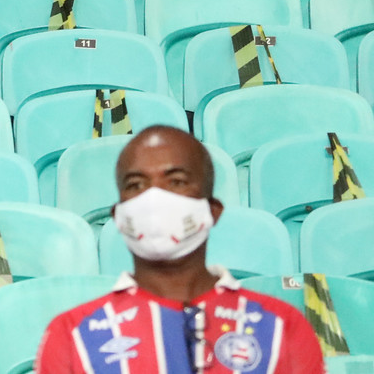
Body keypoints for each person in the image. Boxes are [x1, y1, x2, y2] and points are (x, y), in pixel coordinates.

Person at [34, 125, 326, 374]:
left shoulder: (281, 327)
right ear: (119, 216)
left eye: (176, 181)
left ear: (212, 210)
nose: (154, 199)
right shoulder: (72, 335)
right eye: (135, 185)